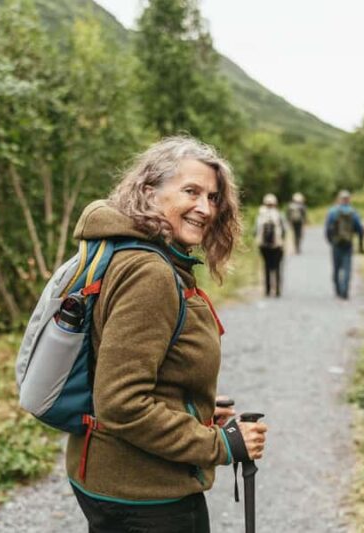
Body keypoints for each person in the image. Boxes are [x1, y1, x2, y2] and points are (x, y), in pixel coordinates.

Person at [66, 137, 268, 532]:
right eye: (191, 191)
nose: (205, 208)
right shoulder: (150, 273)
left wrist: (199, 411)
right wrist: (221, 445)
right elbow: (121, 401)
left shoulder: (129, 252)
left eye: (212, 197)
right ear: (149, 192)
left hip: (111, 474)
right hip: (146, 495)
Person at [325, 190, 364, 299]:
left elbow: (328, 228)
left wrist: (330, 241)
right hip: (348, 243)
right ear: (349, 200)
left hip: (336, 244)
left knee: (336, 268)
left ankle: (338, 290)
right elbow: (360, 230)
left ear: (339, 199)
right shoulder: (354, 212)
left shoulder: (332, 211)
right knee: (347, 268)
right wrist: (361, 245)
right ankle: (345, 291)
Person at [255, 193, 287, 297]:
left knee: (267, 266)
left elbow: (255, 231)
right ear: (275, 203)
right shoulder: (279, 214)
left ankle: (267, 290)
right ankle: (277, 290)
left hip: (263, 246)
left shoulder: (260, 215)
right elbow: (284, 230)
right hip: (277, 245)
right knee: (277, 267)